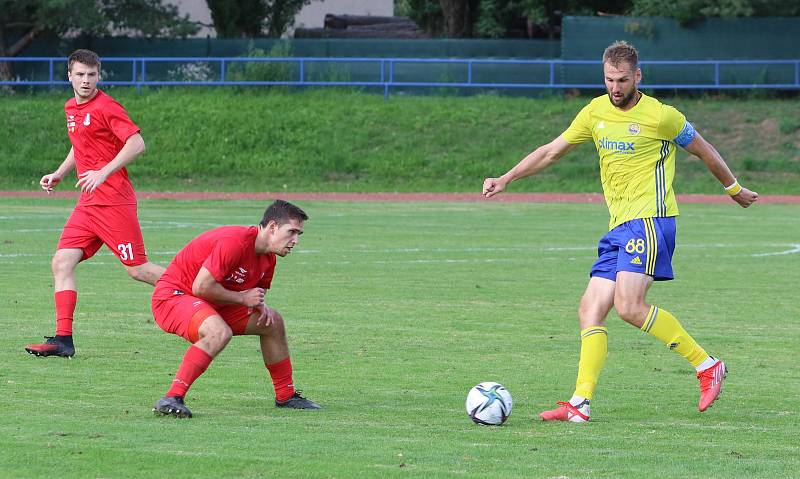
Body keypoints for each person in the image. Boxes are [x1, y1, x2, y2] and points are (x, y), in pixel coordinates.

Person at [482, 40, 758, 422]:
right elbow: (551, 151)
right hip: (618, 226)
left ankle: (706, 365)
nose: (615, 87)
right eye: (610, 79)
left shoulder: (662, 116)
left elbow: (706, 150)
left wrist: (734, 190)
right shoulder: (594, 111)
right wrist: (507, 177)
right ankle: (580, 404)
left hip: (650, 220)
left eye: (623, 79)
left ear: (637, 76)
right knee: (590, 310)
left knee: (629, 307)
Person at [25, 49, 165, 358]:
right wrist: (60, 173)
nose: (86, 80)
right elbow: (80, 145)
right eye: (80, 74)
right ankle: (63, 340)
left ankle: (200, 293)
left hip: (114, 201)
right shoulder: (71, 107)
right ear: (69, 76)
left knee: (138, 270)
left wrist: (103, 172)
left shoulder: (107, 106)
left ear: (98, 76)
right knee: (61, 262)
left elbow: (137, 143)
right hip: (88, 203)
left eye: (91, 75)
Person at [151, 200, 320, 418]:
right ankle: (172, 397)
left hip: (212, 302)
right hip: (174, 297)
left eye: (299, 234)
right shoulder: (235, 242)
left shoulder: (268, 258)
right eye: (292, 232)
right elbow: (201, 286)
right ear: (272, 227)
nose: (295, 240)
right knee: (219, 332)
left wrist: (259, 304)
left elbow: (254, 293)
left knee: (272, 322)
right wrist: (242, 297)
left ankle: (286, 396)